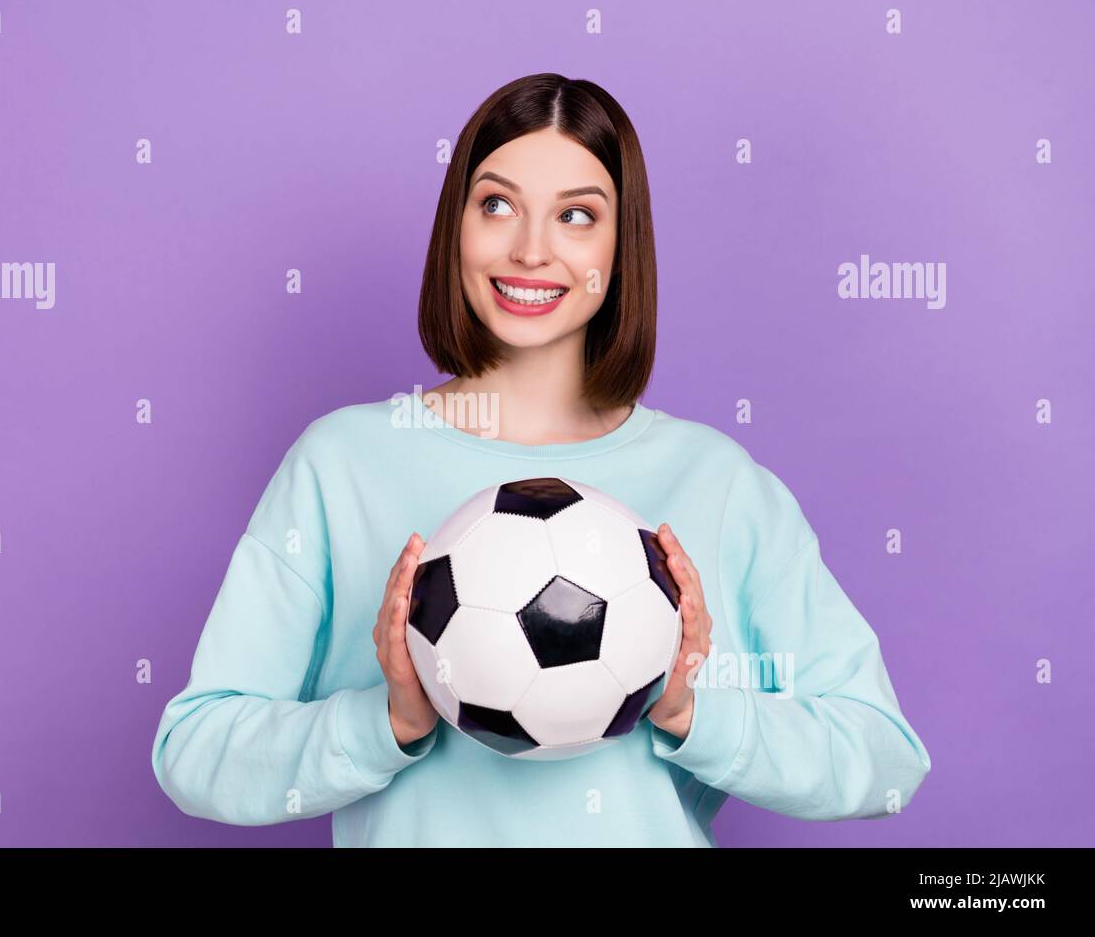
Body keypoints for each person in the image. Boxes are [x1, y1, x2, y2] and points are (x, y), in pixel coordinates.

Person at [150, 73, 931, 846]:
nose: (530, 249)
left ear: (622, 247)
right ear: (455, 225)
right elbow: (195, 751)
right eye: (497, 205)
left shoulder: (717, 482)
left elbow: (885, 758)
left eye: (577, 216)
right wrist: (387, 719)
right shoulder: (341, 464)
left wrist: (690, 710)